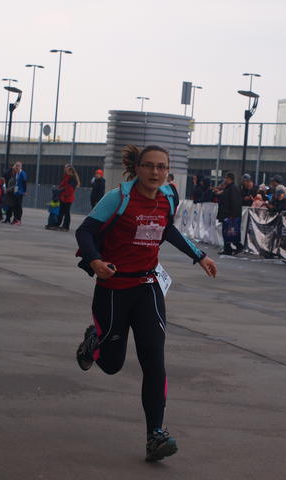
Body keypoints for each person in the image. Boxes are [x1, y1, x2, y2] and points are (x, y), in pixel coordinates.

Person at [74, 144, 217, 462]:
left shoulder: (168, 197)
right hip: (113, 288)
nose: (155, 172)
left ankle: (155, 435)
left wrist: (200, 255)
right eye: (149, 166)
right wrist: (95, 260)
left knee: (154, 362)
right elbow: (85, 232)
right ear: (137, 168)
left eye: (161, 167)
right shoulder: (118, 197)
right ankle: (93, 342)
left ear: (168, 171)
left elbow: (168, 231)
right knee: (112, 364)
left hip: (148, 288)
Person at [216, 172, 244, 255]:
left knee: (231, 233)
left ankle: (239, 247)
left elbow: (235, 202)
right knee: (226, 232)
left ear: (229, 179)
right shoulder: (228, 188)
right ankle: (227, 249)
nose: (225, 180)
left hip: (230, 215)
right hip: (226, 214)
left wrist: (233, 214)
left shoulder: (233, 189)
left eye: (226, 178)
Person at [57, 164, 81, 232]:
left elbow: (70, 189)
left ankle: (66, 226)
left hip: (67, 198)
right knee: (61, 211)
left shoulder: (72, 178)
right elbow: (62, 185)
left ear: (70, 170)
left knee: (66, 212)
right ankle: (58, 224)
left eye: (66, 168)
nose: (65, 169)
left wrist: (63, 191)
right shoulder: (66, 176)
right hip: (63, 197)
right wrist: (59, 190)